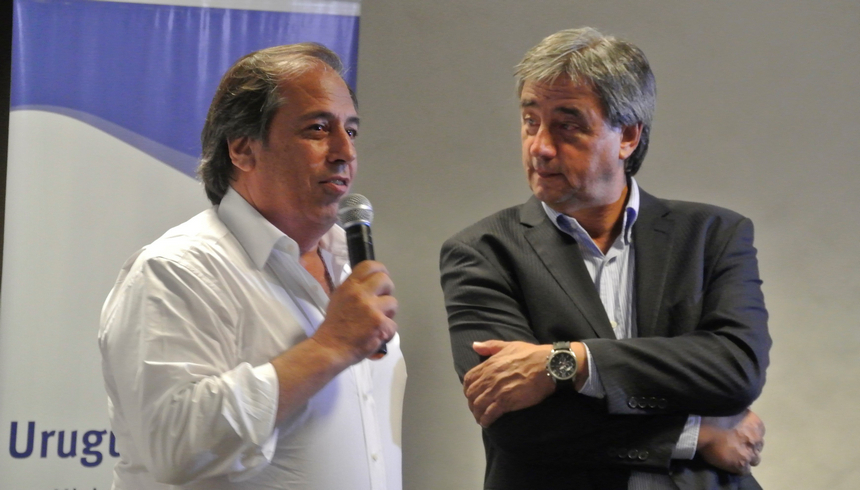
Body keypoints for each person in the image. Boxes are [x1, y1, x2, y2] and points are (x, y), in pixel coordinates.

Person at [439, 27, 770, 489]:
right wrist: (698, 434)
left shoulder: (713, 235)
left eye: (567, 125)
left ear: (628, 136)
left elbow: (735, 368)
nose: (540, 147)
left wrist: (572, 361)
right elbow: (516, 421)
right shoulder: (483, 251)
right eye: (530, 120)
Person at [99, 43, 405, 490]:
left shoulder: (348, 264)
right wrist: (329, 347)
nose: (345, 151)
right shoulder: (177, 271)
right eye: (318, 129)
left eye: (351, 131)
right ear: (243, 150)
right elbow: (174, 445)